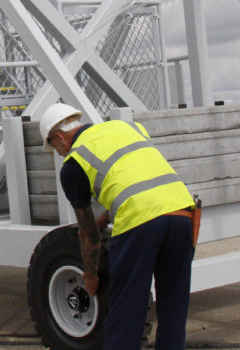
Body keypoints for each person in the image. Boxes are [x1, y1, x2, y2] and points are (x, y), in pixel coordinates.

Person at [38, 103, 197, 350]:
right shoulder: (125, 128)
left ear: (58, 137)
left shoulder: (73, 164)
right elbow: (137, 181)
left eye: (54, 147)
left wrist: (90, 276)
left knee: (126, 312)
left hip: (139, 223)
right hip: (182, 214)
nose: (58, 154)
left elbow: (89, 233)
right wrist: (106, 218)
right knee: (173, 307)